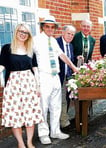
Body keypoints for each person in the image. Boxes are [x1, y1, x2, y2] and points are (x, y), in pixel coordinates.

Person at [33, 15, 78, 145]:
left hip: (55, 76)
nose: (50, 29)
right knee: (43, 106)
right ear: (43, 27)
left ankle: (55, 130)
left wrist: (73, 67)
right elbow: (30, 58)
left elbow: (62, 55)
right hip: (43, 76)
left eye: (52, 27)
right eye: (47, 26)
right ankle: (43, 133)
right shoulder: (35, 40)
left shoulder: (53, 41)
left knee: (56, 105)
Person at [0, 23, 44, 148]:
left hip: (29, 84)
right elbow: (2, 66)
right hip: (13, 84)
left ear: (29, 35)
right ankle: (20, 143)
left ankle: (29, 142)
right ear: (16, 31)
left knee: (30, 114)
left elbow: (35, 70)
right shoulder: (7, 48)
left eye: (26, 32)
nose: (23, 34)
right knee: (15, 115)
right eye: (21, 31)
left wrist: (38, 86)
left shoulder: (30, 50)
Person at [56, 25, 76, 128]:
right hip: (58, 76)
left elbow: (70, 60)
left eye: (72, 34)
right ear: (63, 32)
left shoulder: (70, 45)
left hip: (68, 76)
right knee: (60, 99)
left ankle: (63, 118)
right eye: (68, 33)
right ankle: (63, 121)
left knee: (67, 98)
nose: (70, 36)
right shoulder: (56, 43)